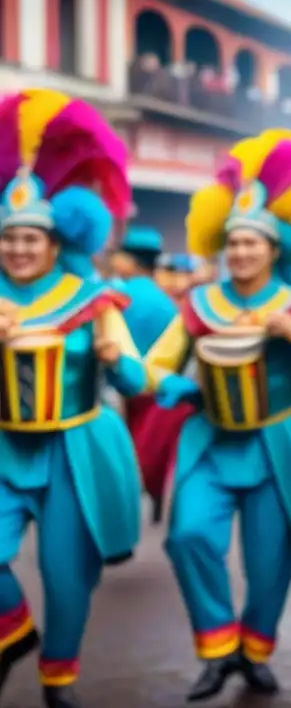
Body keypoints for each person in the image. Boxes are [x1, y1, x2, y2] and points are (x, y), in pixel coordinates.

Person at [145, 130, 291, 701]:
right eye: (233, 243)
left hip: (278, 447)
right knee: (187, 535)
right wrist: (177, 389)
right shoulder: (199, 305)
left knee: (272, 561)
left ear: (275, 249)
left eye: (252, 244)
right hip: (209, 443)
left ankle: (256, 647)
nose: (240, 253)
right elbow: (155, 366)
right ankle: (216, 646)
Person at [0, 89, 146, 708]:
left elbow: (136, 382)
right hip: (5, 451)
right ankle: (13, 631)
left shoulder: (94, 299)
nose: (19, 249)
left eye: (31, 239)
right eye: (9, 239)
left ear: (57, 241)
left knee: (67, 579)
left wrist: (119, 359)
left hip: (71, 454)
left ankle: (58, 680)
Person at [109, 224, 186, 522]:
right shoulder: (165, 300)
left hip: (127, 385)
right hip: (159, 389)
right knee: (152, 447)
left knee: (126, 449)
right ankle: (153, 500)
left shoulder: (117, 297)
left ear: (130, 260)